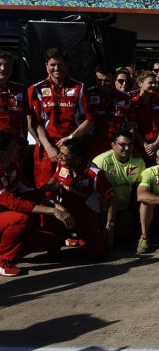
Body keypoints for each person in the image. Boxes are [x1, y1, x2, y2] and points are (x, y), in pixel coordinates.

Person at [0, 131, 74, 276]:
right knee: (21, 218)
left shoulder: (12, 166)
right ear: (2, 152)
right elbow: (14, 203)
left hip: (6, 220)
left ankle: (9, 250)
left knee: (52, 241)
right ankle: (2, 261)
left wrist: (53, 204)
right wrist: (53, 211)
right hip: (6, 218)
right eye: (14, 146)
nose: (18, 148)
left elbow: (28, 191)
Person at [41, 138, 115, 260]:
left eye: (64, 155)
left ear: (77, 159)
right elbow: (54, 182)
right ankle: (55, 245)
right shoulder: (62, 163)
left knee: (96, 254)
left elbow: (112, 199)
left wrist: (109, 226)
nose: (59, 157)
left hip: (87, 215)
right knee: (47, 214)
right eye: (60, 153)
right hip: (64, 211)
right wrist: (38, 192)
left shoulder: (95, 173)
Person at [28, 48, 88, 187]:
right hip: (47, 147)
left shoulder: (80, 87)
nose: (57, 68)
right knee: (46, 188)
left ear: (66, 66)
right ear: (46, 66)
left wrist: (72, 137)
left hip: (73, 147)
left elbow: (89, 119)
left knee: (72, 187)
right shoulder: (36, 89)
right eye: (53, 65)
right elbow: (35, 123)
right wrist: (48, 147)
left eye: (60, 65)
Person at [94, 130, 146, 244]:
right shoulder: (101, 162)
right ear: (113, 145)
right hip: (103, 210)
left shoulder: (138, 162)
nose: (127, 148)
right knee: (105, 242)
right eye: (123, 144)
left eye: (130, 145)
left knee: (125, 238)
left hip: (123, 209)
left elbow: (139, 189)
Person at [84, 63, 130, 159]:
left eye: (106, 81)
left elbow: (130, 125)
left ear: (114, 77)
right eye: (99, 80)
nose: (102, 84)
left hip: (117, 146)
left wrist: (129, 145)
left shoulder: (125, 98)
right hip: (93, 145)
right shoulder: (88, 94)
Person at [127, 70, 159, 160]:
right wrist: (146, 146)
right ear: (140, 83)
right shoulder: (131, 101)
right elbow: (131, 125)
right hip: (138, 146)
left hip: (157, 146)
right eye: (150, 83)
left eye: (155, 83)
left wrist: (155, 145)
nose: (154, 85)